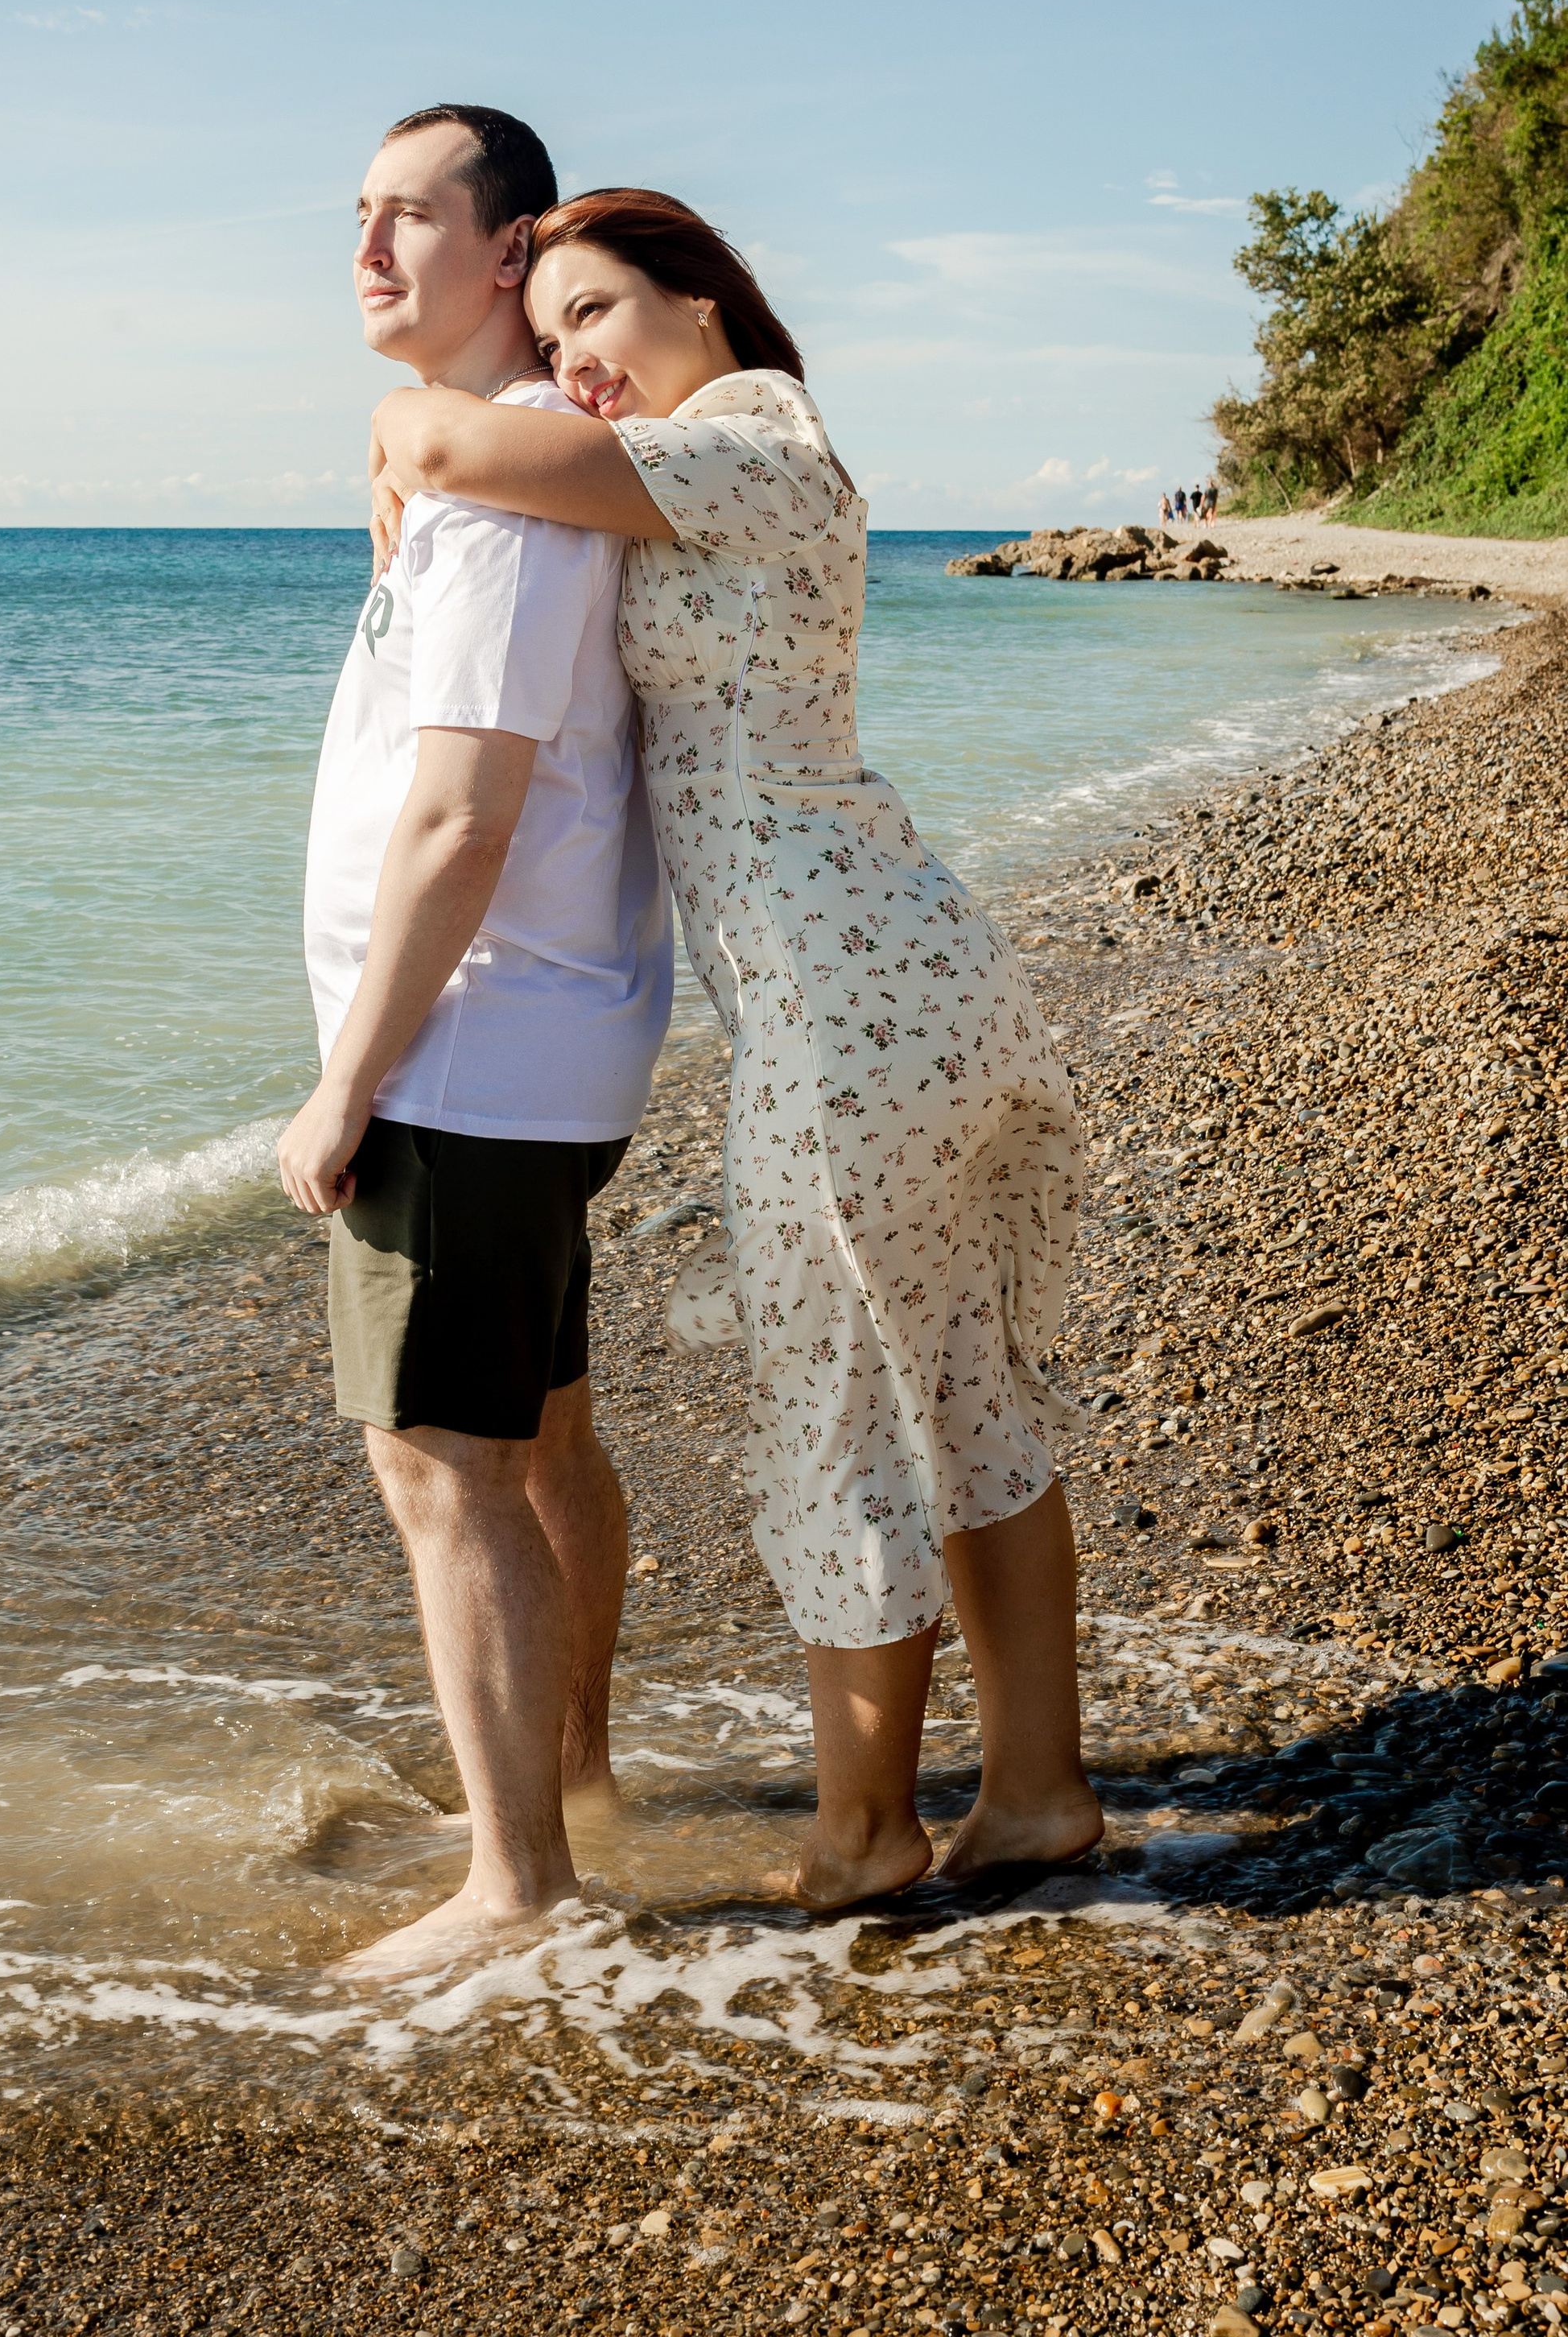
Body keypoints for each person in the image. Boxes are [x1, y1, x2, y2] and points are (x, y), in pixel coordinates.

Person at [371, 191, 1099, 1905]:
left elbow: (455, 442)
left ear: (705, 304)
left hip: (843, 1016)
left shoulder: (746, 442)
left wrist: (407, 422)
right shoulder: (741, 454)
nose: (576, 363)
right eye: (551, 338)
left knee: (839, 1413)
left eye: (600, 314)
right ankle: (1034, 1793)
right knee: (966, 1395)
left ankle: (863, 1835)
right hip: (904, 985)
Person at [279, 108, 672, 1975]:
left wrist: (347, 1080)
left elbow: (463, 816)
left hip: (467, 1058)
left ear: (507, 253)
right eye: (354, 214)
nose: (364, 246)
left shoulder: (508, 503)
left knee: (439, 1460)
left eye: (407, 217)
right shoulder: (482, 471)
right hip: (521, 1048)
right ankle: (565, 1781)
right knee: (534, 1438)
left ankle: (518, 1887)